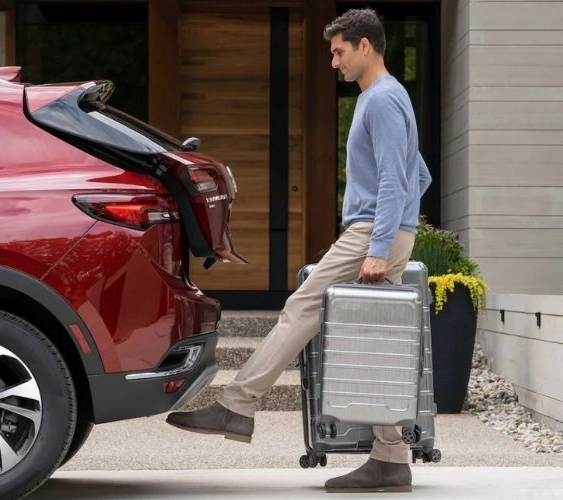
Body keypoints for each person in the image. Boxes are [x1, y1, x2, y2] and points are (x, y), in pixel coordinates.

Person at [166, 8, 432, 493]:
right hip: (385, 230)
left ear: (365, 46)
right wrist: (401, 231)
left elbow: (398, 177)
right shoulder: (389, 98)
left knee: (303, 306)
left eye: (338, 51)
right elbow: (420, 174)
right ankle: (391, 459)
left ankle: (237, 406)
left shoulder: (381, 101)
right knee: (370, 342)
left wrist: (379, 244)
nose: (334, 62)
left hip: (371, 232)